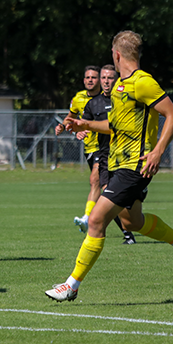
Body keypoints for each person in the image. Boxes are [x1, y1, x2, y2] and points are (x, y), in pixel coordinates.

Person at [46, 31, 173, 302]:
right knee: (132, 221)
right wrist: (86, 124)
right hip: (115, 163)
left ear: (116, 55)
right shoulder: (119, 87)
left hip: (134, 166)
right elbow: (114, 126)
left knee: (97, 220)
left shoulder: (143, 82)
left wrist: (157, 152)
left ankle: (71, 285)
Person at [81, 64, 137, 245]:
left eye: (110, 78)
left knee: (124, 202)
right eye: (103, 78)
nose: (106, 81)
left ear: (117, 79)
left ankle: (128, 229)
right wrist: (77, 130)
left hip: (126, 155)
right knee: (108, 193)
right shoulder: (93, 103)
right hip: (105, 156)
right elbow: (83, 123)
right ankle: (122, 233)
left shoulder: (125, 99)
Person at [56, 66, 102, 232]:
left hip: (106, 147)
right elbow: (71, 118)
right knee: (103, 189)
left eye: (94, 77)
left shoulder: (108, 99)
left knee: (95, 181)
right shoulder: (79, 98)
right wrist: (63, 125)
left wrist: (88, 127)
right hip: (89, 148)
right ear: (84, 80)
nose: (90, 80)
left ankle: (87, 218)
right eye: (87, 77)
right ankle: (127, 231)